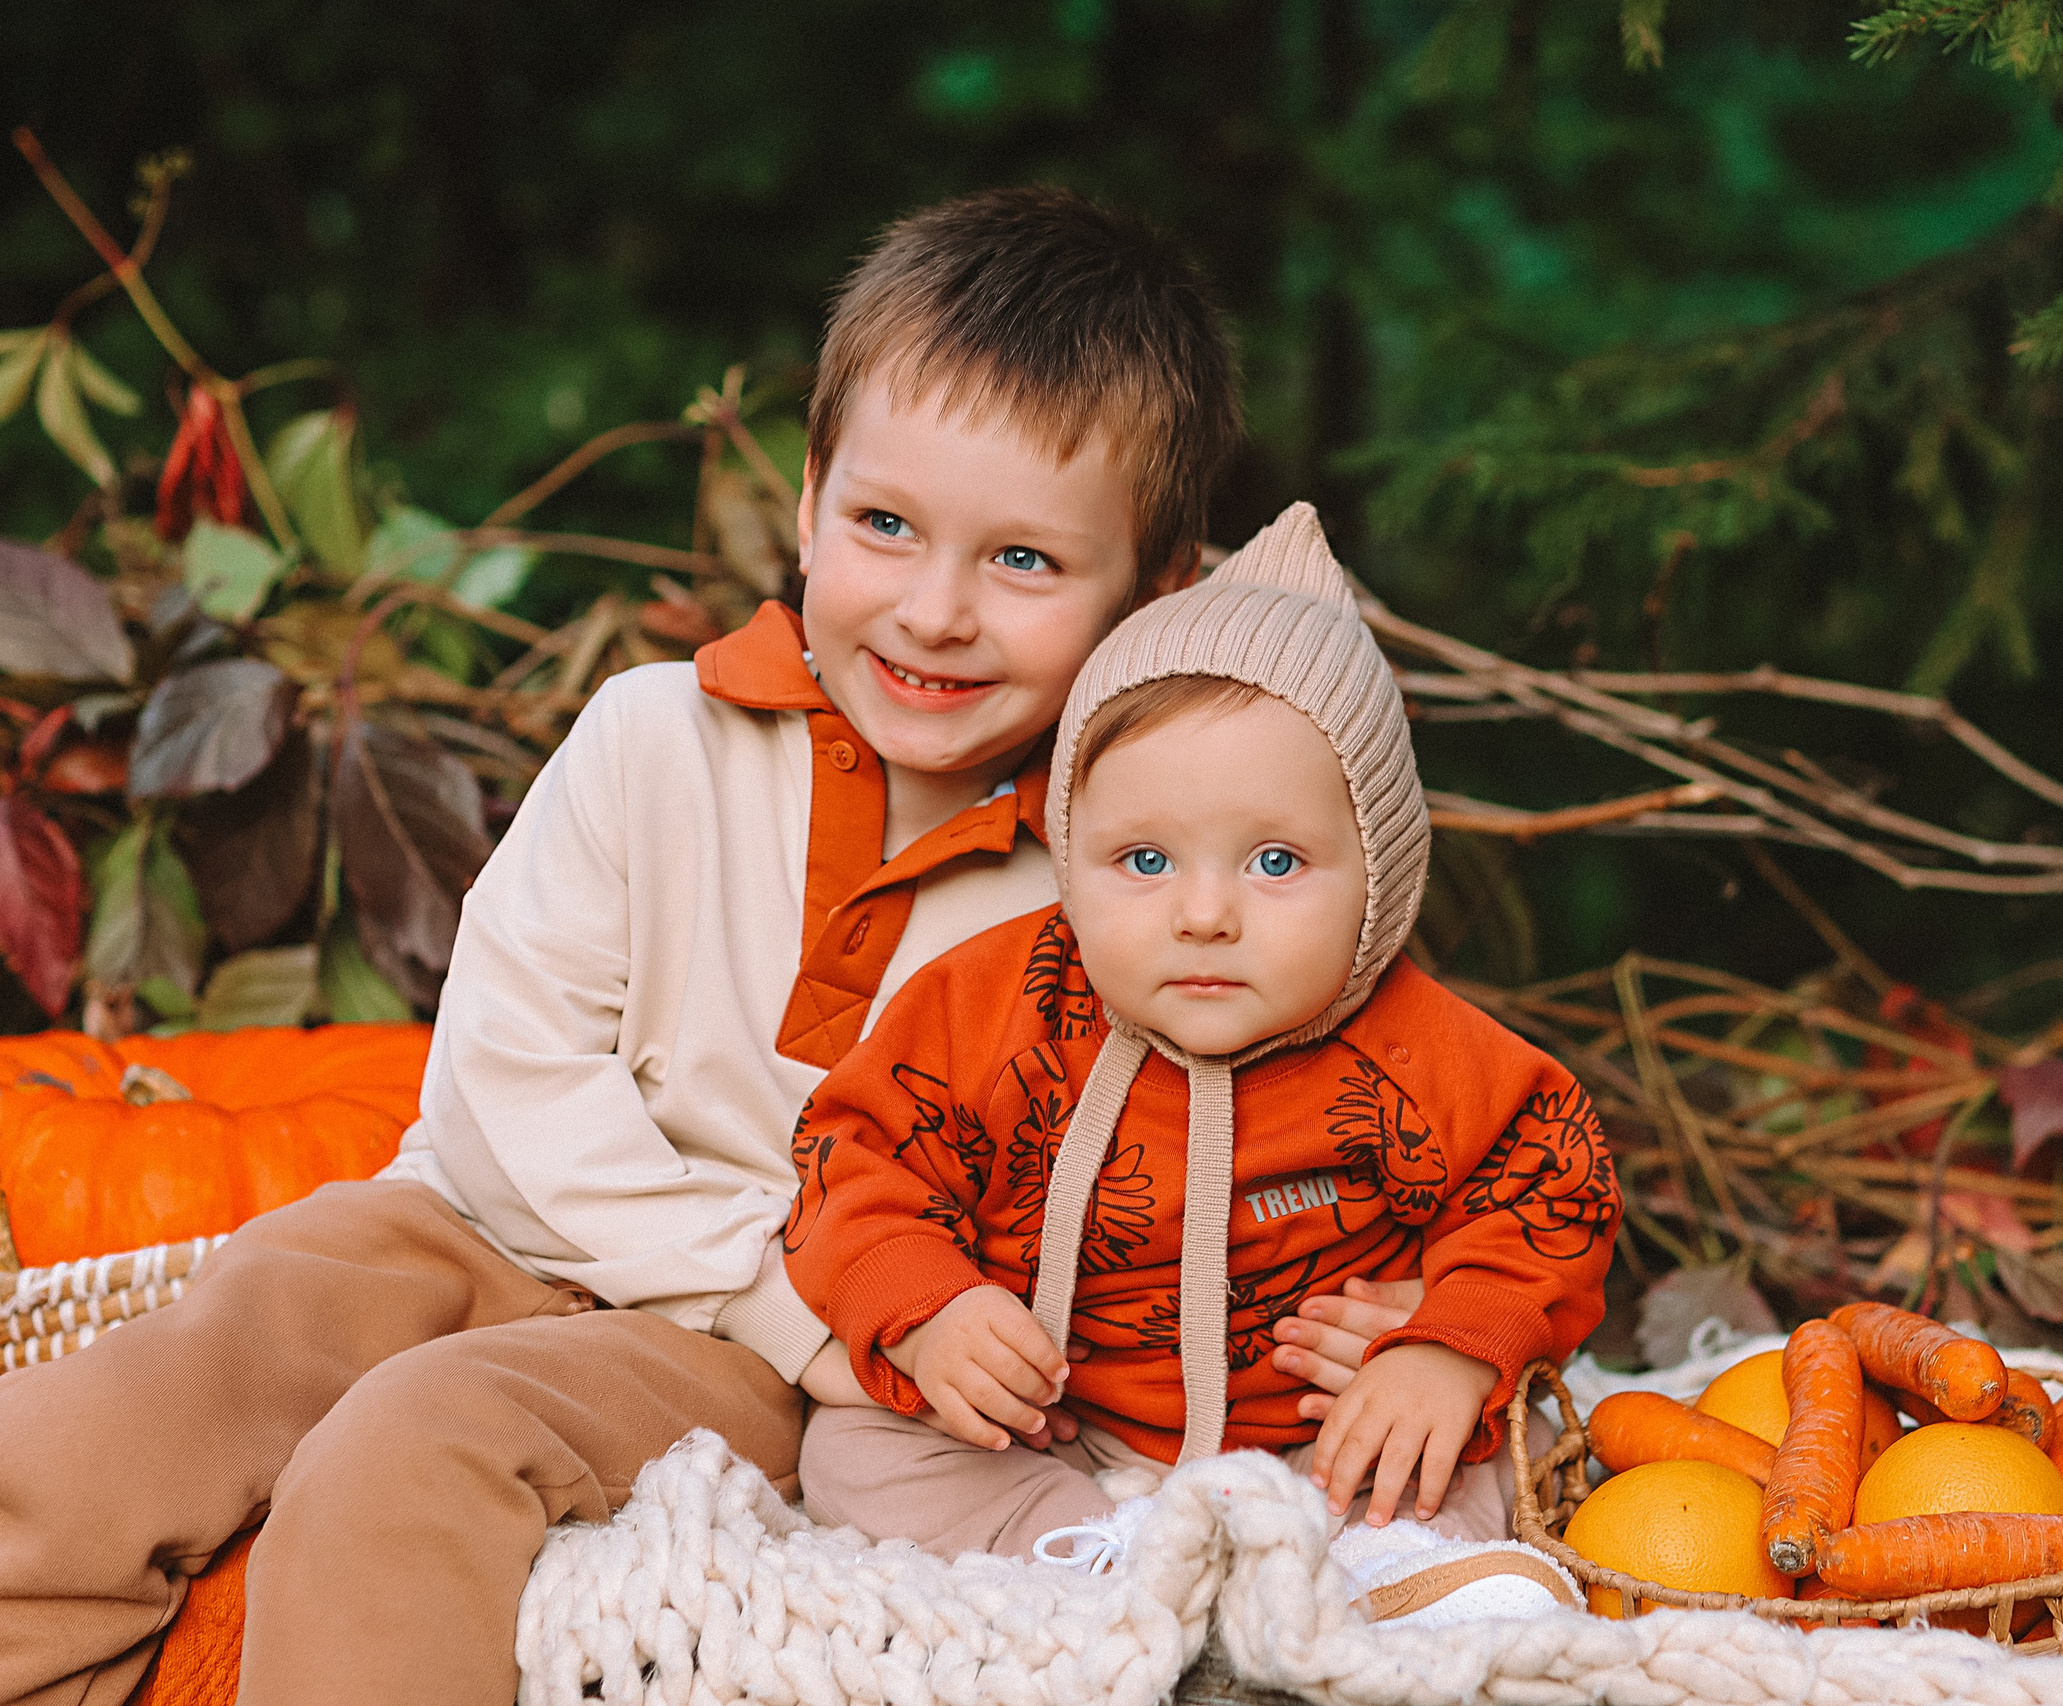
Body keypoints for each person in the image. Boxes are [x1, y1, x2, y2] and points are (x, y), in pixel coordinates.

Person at [0, 188, 1407, 1706]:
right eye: (885, 526)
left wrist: (1393, 1306)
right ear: (807, 496)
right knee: (190, 1360)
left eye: (1023, 564)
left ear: (1155, 595)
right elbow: (504, 1077)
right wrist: (750, 1279)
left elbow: (1237, 1153)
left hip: (789, 1354)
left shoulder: (1119, 893)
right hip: (490, 1220)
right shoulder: (654, 737)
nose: (933, 612)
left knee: (413, 1448)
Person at [781, 502, 1621, 1594]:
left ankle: (1383, 1576)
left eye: (1275, 862)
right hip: (1054, 1433)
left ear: (1381, 874)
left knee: (1457, 1457)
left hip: (1316, 1444)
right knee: (853, 1450)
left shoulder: (1431, 1056)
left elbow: (1550, 1190)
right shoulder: (993, 1007)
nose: (1206, 913)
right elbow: (856, 1154)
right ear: (1071, 855)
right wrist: (930, 1309)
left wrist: (1449, 1346)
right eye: (1142, 860)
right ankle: (1096, 1557)